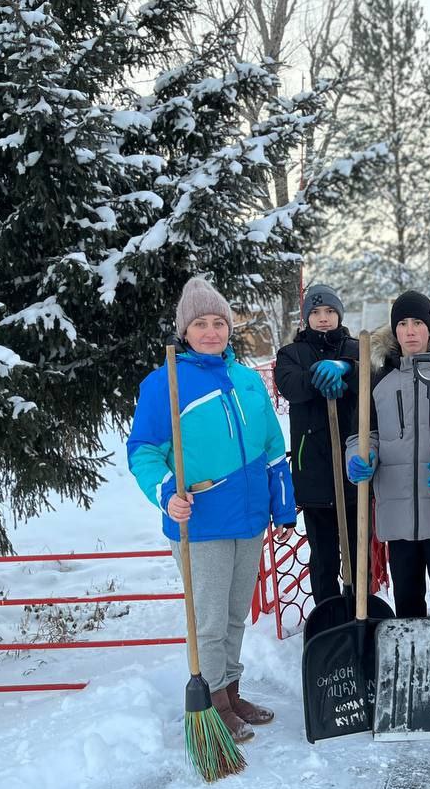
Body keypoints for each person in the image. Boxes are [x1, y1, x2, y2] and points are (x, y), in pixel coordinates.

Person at [127, 276, 296, 743]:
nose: (210, 331)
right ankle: (215, 702)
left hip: (248, 517)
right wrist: (166, 491)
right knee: (209, 618)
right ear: (185, 331)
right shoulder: (166, 383)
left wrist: (281, 502)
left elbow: (271, 443)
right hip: (200, 520)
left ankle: (232, 691)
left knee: (236, 614)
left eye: (218, 322)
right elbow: (143, 449)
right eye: (200, 323)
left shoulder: (245, 379)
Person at [345, 291, 430, 618]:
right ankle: (410, 663)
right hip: (397, 510)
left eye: (418, 322)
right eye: (402, 323)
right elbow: (363, 436)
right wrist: (361, 458)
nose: (410, 330)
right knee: (407, 604)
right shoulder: (378, 381)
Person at [274, 283, 359, 606]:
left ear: (339, 315)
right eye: (316, 312)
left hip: (355, 467)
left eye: (330, 312)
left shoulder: (354, 348)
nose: (323, 319)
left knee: (357, 549)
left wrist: (346, 369)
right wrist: (315, 376)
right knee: (323, 554)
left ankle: (358, 609)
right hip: (313, 471)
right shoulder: (291, 354)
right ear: (306, 317)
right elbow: (289, 385)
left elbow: (371, 377)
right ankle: (327, 612)